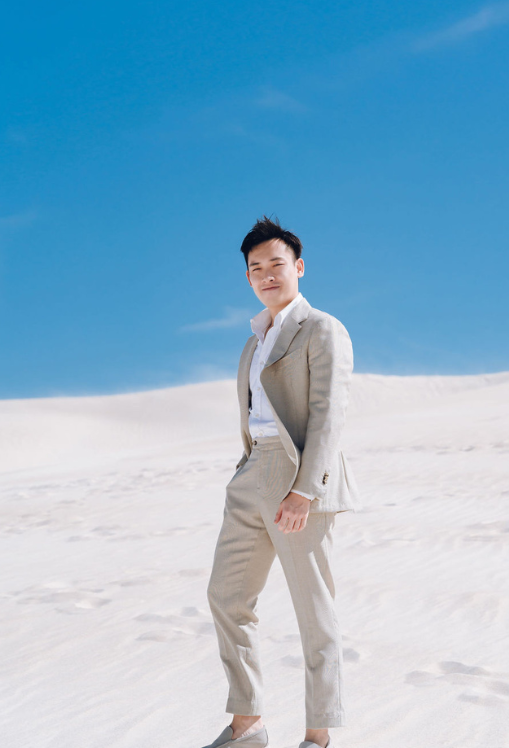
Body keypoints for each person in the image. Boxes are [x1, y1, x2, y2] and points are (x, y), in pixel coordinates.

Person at [201, 217, 359, 748]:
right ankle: (247, 726)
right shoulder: (252, 343)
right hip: (251, 475)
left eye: (276, 264)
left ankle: (319, 736)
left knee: (312, 608)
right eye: (255, 268)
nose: (266, 274)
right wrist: (245, 473)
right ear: (247, 277)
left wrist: (304, 489)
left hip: (298, 478)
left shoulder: (322, 329)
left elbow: (329, 414)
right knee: (226, 596)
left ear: (299, 267)